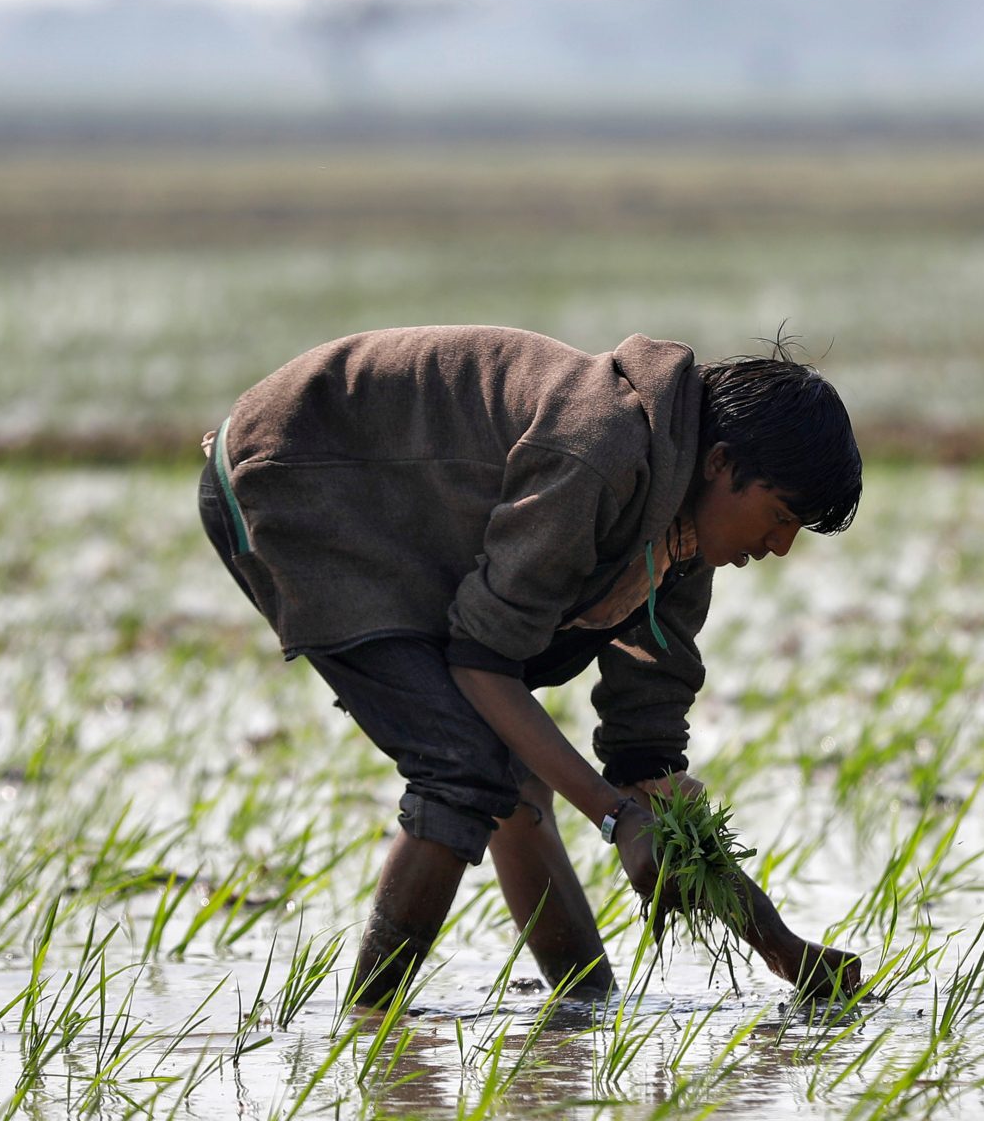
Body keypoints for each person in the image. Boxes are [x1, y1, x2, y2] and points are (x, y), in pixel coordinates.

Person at [198, 325, 863, 1008]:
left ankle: (587, 1003)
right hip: (294, 471)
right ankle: (371, 1026)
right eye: (779, 516)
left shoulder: (682, 549)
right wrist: (614, 820)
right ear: (721, 463)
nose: (780, 546)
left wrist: (786, 951)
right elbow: (483, 666)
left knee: (512, 773)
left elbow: (649, 773)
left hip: (406, 515)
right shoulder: (599, 453)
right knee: (462, 765)